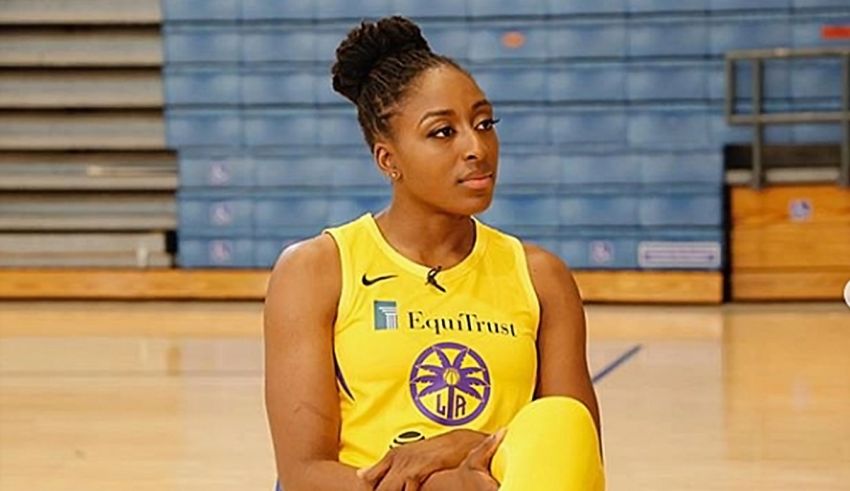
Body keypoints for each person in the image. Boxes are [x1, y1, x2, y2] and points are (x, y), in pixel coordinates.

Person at [264, 15, 604, 491]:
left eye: (485, 123)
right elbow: (304, 475)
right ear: (388, 159)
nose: (476, 147)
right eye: (443, 132)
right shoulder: (317, 269)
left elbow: (573, 449)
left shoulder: (541, 277)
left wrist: (464, 444)